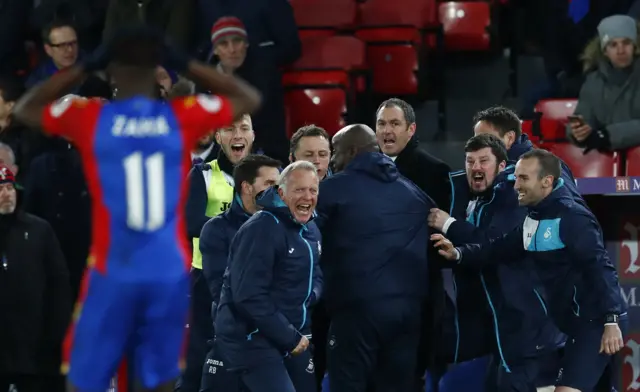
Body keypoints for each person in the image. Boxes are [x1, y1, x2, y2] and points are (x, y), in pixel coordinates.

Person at [12, 26, 261, 392]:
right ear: (158, 70)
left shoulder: (95, 119)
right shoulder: (179, 117)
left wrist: (83, 67)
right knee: (156, 382)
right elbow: (248, 97)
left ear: (110, 73)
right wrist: (186, 63)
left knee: (85, 381)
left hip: (113, 268)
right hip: (166, 271)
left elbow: (25, 107)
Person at [434, 149, 627, 392]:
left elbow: (600, 267)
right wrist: (459, 253)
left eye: (524, 178)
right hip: (573, 323)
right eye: (516, 178)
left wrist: (611, 320)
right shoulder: (532, 218)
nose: (516, 185)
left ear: (546, 182)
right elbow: (497, 249)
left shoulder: (571, 218)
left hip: (596, 321)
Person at [428, 134, 564, 392]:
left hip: (530, 329)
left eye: (483, 161)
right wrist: (457, 252)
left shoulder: (514, 198)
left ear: (502, 167)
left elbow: (493, 243)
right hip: (503, 331)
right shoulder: (479, 201)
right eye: (470, 161)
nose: (475, 167)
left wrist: (449, 225)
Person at [316, 124, 433, 392]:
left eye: (336, 152)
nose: (333, 160)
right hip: (407, 313)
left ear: (353, 151)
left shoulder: (332, 190)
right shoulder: (412, 192)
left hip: (356, 312)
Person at [214, 160, 322, 392]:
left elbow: (317, 273)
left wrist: (310, 295)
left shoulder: (311, 229)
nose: (307, 196)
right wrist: (290, 337)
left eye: (313, 190)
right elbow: (249, 295)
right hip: (252, 337)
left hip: (292, 334)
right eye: (299, 190)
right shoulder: (262, 228)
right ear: (281, 193)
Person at [182, 113, 255, 392]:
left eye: (244, 128)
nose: (238, 134)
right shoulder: (203, 174)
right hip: (207, 280)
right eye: (230, 129)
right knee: (200, 358)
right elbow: (191, 224)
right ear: (218, 137)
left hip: (254, 279)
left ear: (252, 135)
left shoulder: (266, 175)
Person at [199, 154, 281, 391]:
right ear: (246, 187)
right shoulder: (216, 230)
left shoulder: (288, 226)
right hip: (234, 340)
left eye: (279, 183)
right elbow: (222, 291)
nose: (278, 190)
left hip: (278, 339)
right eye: (270, 184)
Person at [0, 163, 72, 392]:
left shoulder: (40, 230)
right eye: (0, 189)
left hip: (34, 348)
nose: (6, 194)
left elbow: (59, 284)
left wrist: (56, 333)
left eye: (10, 188)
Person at [472, 106, 583, 204]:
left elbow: (569, 208)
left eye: (485, 139)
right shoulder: (494, 167)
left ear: (509, 138)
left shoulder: (544, 164)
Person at [375, 98, 450, 209]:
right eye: (381, 124)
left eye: (395, 124)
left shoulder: (435, 171)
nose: (387, 130)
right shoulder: (366, 166)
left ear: (411, 129)